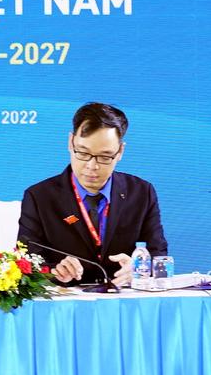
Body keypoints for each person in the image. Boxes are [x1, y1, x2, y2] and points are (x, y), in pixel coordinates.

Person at [17, 102, 168, 288]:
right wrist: (55, 271)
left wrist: (140, 269)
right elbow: (28, 262)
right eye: (83, 153)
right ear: (70, 142)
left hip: (124, 297)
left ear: (120, 151)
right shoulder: (39, 197)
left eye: (105, 157)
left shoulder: (141, 193)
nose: (92, 166)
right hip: (68, 300)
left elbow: (158, 255)